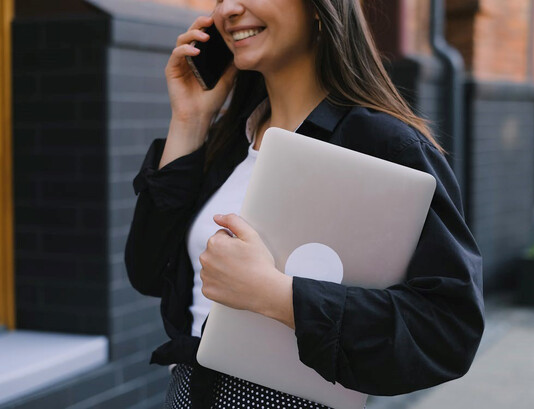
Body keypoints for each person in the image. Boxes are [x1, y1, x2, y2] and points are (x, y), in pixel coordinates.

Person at [124, 0, 485, 408]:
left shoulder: (384, 145)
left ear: (318, 8)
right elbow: (147, 272)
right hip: (187, 394)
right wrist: (188, 121)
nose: (228, 9)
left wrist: (277, 296)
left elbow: (448, 331)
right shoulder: (229, 142)